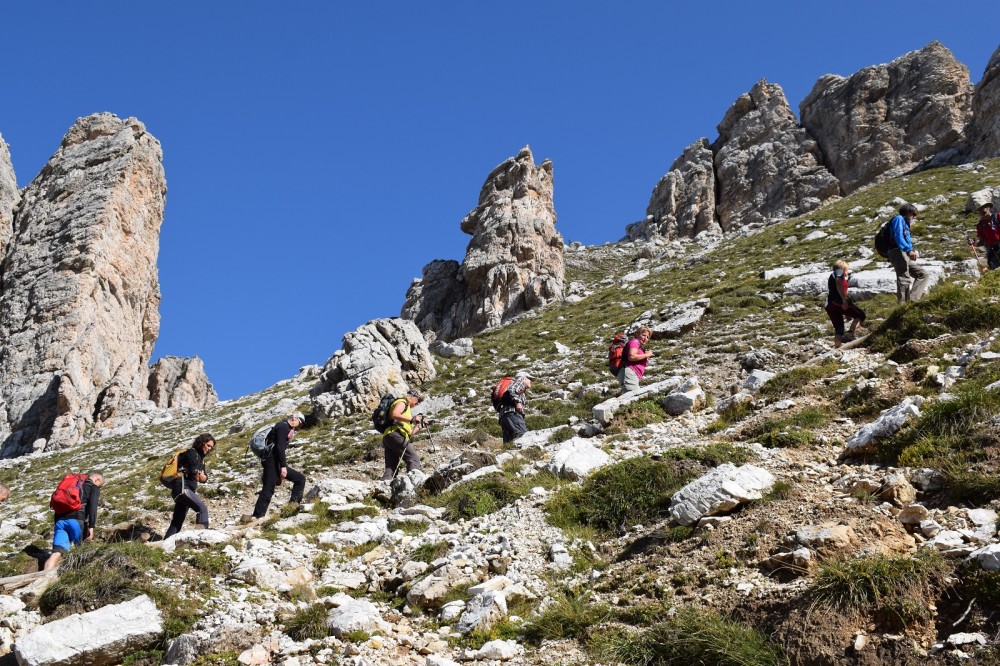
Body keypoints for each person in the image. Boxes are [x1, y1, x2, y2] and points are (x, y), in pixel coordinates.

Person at [244, 413, 306, 522]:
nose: (298, 427)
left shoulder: (283, 427)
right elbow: (279, 448)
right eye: (299, 424)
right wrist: (283, 467)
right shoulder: (283, 426)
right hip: (272, 462)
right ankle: (257, 516)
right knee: (268, 489)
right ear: (294, 419)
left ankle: (293, 505)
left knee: (299, 479)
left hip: (273, 462)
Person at [43, 472, 104, 570]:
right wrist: (91, 527)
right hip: (77, 520)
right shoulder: (92, 487)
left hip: (60, 521)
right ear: (97, 480)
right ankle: (81, 578)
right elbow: (93, 507)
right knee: (83, 550)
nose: (99, 487)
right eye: (100, 485)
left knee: (56, 553)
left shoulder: (74, 484)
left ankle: (43, 578)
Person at [164, 433, 215, 538]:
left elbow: (204, 479)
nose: (209, 449)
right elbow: (194, 472)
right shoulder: (191, 453)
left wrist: (200, 475)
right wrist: (199, 475)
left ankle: (166, 543)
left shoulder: (201, 460)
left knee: (177, 521)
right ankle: (202, 537)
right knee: (201, 508)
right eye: (208, 445)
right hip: (182, 488)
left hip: (186, 490)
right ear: (201, 443)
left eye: (211, 447)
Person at [887, 203, 930, 304]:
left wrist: (910, 250)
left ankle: (913, 300)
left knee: (923, 274)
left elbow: (905, 238)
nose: (913, 217)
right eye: (913, 214)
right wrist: (908, 250)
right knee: (904, 279)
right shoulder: (898, 219)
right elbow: (898, 236)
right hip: (897, 251)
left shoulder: (906, 224)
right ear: (907, 212)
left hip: (903, 253)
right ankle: (902, 307)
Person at [381, 390, 424, 481]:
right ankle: (413, 483)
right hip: (395, 434)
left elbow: (410, 432)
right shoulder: (402, 402)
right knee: (414, 458)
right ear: (412, 397)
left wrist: (421, 425)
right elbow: (395, 414)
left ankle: (384, 487)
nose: (418, 403)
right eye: (418, 400)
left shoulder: (406, 412)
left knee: (391, 466)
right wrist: (412, 419)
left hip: (390, 436)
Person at [825, 260, 866, 348]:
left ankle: (837, 348)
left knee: (839, 328)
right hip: (837, 301)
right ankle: (850, 335)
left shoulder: (833, 275)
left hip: (829, 305)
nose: (847, 272)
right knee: (861, 315)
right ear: (843, 268)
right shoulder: (838, 272)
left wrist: (846, 313)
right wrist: (844, 300)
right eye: (847, 269)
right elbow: (838, 282)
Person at [618, 327, 654, 395]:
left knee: (631, 396)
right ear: (637, 334)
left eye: (647, 337)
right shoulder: (635, 342)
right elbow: (632, 356)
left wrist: (645, 355)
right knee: (633, 396)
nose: (645, 338)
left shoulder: (639, 347)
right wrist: (647, 355)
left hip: (632, 374)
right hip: (630, 372)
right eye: (643, 335)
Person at [498, 372, 532, 443]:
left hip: (504, 415)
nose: (531, 381)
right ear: (523, 378)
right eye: (529, 379)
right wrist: (518, 402)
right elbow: (512, 390)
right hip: (513, 413)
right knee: (521, 434)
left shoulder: (519, 388)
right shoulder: (520, 382)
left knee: (509, 441)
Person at [974, 201, 1000, 271]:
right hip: (991, 249)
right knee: (994, 267)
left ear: (988, 208)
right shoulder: (980, 225)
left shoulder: (998, 217)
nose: (982, 211)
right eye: (980, 210)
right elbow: (981, 240)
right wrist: (973, 244)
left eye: (983, 208)